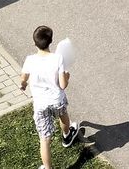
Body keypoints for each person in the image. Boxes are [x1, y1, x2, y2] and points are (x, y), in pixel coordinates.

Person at [20, 25, 82, 169]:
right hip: (56, 100)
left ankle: (48, 168)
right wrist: (67, 77)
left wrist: (22, 85)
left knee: (44, 138)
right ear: (51, 41)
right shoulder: (57, 58)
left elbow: (23, 78)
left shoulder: (30, 60)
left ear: (34, 43)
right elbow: (62, 85)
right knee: (63, 117)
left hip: (41, 104)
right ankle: (67, 135)